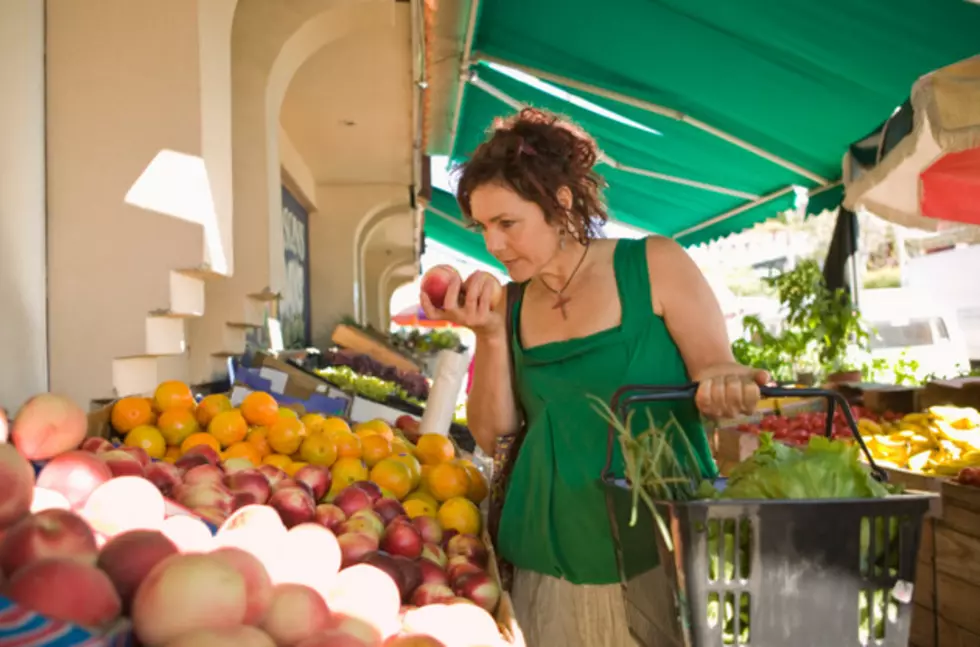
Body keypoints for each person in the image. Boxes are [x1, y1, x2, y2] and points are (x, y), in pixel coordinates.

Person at [419, 108, 768, 647]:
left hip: (660, 546)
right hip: (547, 556)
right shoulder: (508, 307)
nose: (492, 245)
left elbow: (714, 373)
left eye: (507, 224)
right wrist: (489, 336)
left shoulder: (653, 264)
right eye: (482, 227)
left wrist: (725, 382)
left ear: (559, 203)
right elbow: (493, 437)